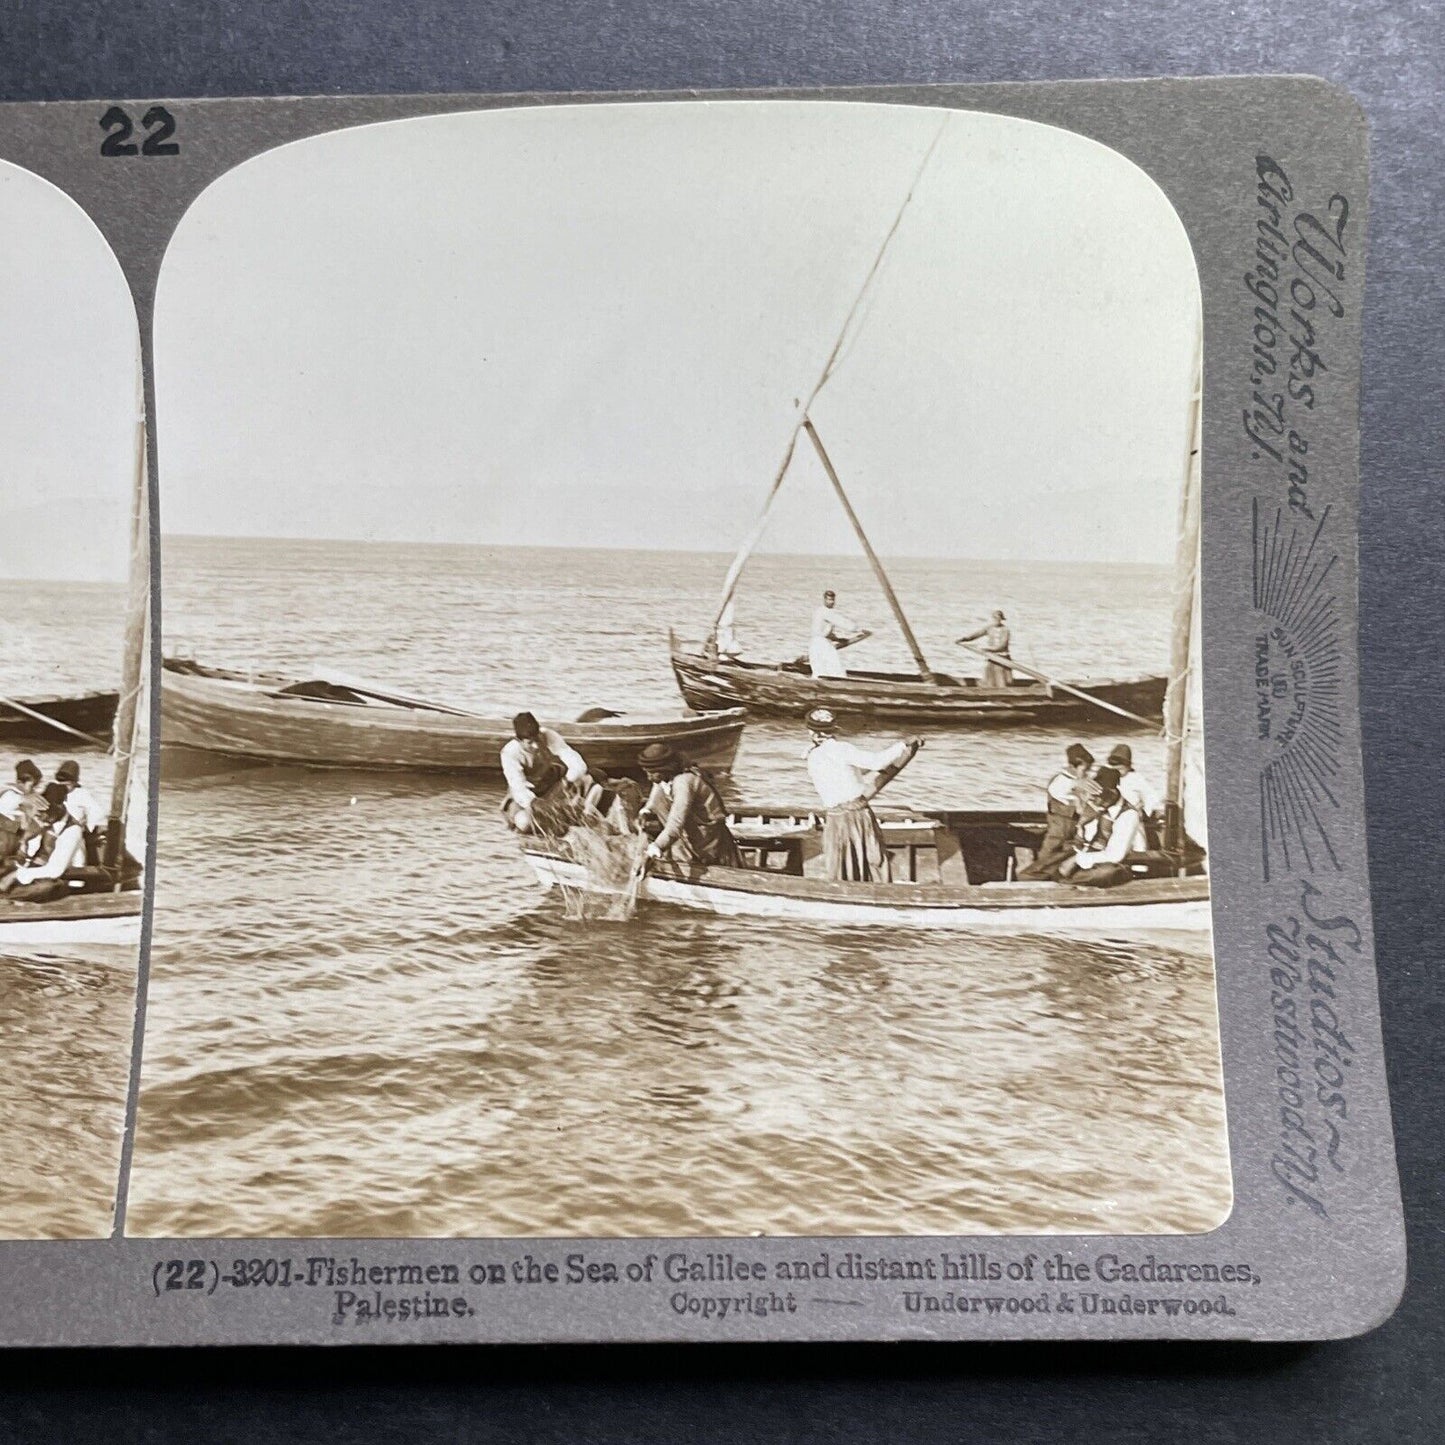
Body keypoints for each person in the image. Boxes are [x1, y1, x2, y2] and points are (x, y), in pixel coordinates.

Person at [803, 706, 919, 883]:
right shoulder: (841, 749)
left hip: (834, 818)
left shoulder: (812, 756)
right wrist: (903, 744)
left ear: (811, 732)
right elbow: (876, 763)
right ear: (834, 729)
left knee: (841, 864)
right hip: (857, 815)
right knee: (874, 859)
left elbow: (850, 772)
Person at [638, 742, 740, 868]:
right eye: (647, 773)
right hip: (690, 835)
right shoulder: (663, 780)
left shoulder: (684, 782)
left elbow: (676, 822)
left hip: (709, 839)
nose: (649, 777)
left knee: (710, 864)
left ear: (666, 769)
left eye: (652, 773)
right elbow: (654, 798)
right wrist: (646, 811)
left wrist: (654, 850)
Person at [1018, 742, 1100, 881]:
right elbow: (1059, 789)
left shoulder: (1081, 780)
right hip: (1058, 827)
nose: (1086, 774)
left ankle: (1057, 879)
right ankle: (1034, 878)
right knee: (1048, 854)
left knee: (1067, 852)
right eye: (1084, 769)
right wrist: (1076, 785)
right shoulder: (1061, 780)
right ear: (1072, 766)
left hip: (1073, 829)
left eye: (1089, 770)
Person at [500, 712, 591, 835]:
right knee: (523, 822)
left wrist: (565, 783)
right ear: (518, 740)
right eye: (529, 742)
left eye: (537, 739)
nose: (536, 745)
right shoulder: (510, 753)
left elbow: (578, 765)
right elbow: (518, 788)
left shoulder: (549, 736)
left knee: (590, 779)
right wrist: (538, 805)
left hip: (551, 787)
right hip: (526, 797)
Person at [1057, 767, 1146, 887]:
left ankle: (1064, 885)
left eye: (1099, 796)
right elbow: (1056, 790)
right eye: (1092, 795)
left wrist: (1076, 860)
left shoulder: (1128, 815)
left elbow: (1114, 855)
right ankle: (1062, 879)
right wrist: (1076, 783)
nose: (1093, 801)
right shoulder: (1097, 802)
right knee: (1051, 859)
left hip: (1109, 863)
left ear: (1113, 793)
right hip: (1083, 855)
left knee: (1107, 872)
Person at [0, 783, 87, 893]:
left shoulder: (72, 831)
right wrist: (24, 841)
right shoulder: (48, 820)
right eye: (39, 813)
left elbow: (55, 870)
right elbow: (5, 817)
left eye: (44, 813)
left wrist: (16, 875)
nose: (40, 817)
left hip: (63, 882)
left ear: (59, 808)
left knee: (43, 888)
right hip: (36, 872)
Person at [1106, 743, 1164, 845]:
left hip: (1133, 816)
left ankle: (1139, 853)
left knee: (1137, 837)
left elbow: (1151, 797)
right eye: (1114, 770)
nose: (1117, 773)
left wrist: (1146, 808)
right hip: (1113, 817)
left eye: (1120, 770)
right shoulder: (1109, 778)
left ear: (1128, 767)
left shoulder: (1136, 779)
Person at [809, 590, 871, 680]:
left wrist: (837, 639)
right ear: (824, 600)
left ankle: (820, 685)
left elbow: (826, 632)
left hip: (817, 643)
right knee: (835, 669)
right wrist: (859, 629)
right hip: (821, 644)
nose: (832, 602)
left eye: (833, 600)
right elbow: (842, 622)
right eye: (829, 600)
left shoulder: (819, 611)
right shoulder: (826, 612)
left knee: (820, 671)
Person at [54, 760, 103, 865]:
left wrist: (87, 824)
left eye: (67, 785)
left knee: (78, 856)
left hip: (75, 830)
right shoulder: (56, 791)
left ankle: (78, 874)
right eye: (61, 784)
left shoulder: (81, 794)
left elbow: (97, 811)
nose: (64, 788)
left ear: (75, 783)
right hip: (58, 829)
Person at [0, 759, 44, 865]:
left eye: (36, 786)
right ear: (19, 783)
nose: (34, 791)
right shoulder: (9, 796)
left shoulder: (29, 796)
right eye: (31, 786)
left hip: (14, 847)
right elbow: (17, 800)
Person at [956, 610, 1012, 687]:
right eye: (995, 618)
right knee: (989, 675)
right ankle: (990, 689)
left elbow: (1002, 645)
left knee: (1000, 677)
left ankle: (1002, 691)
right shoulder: (989, 628)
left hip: (1002, 658)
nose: (996, 620)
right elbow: (976, 635)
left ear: (1001, 619)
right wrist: (964, 639)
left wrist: (987, 649)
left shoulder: (1005, 630)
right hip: (992, 657)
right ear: (992, 619)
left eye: (998, 619)